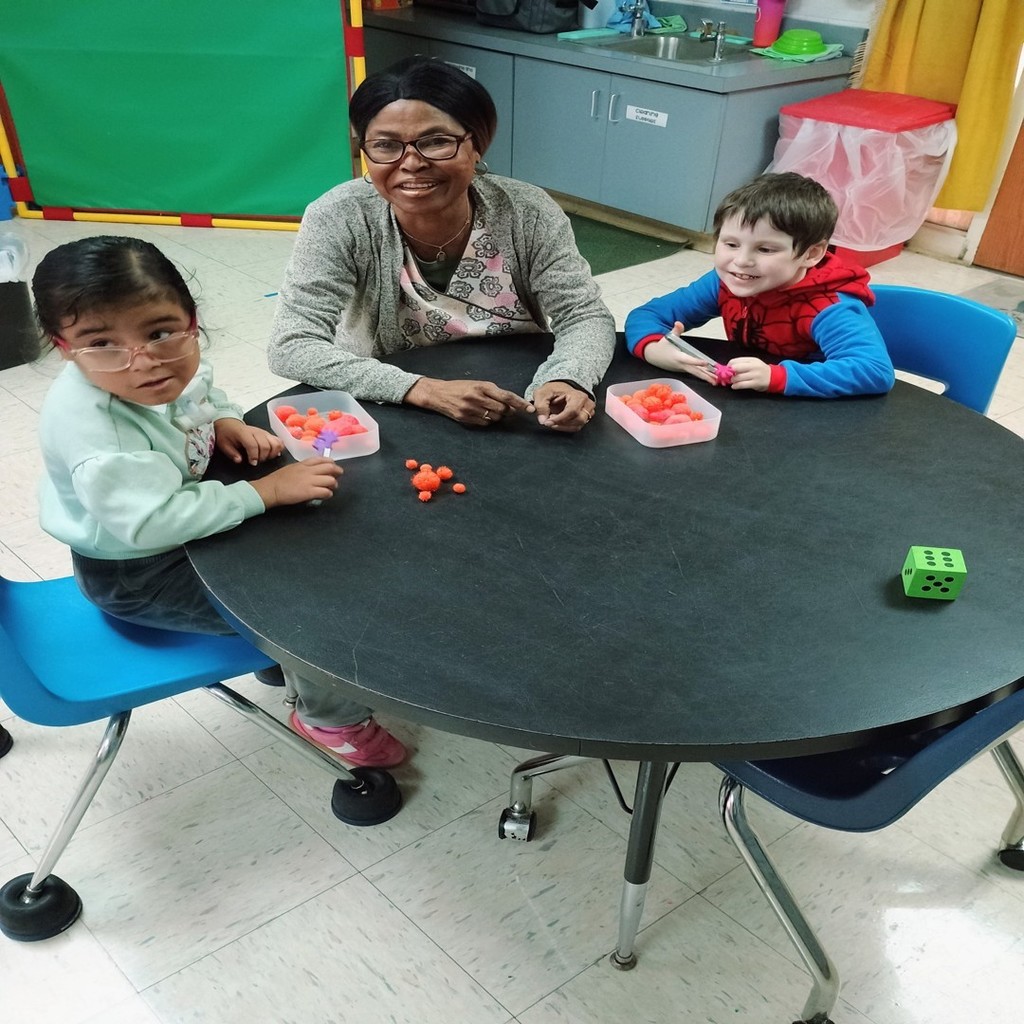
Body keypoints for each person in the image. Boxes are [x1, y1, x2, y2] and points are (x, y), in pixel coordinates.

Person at [32, 236, 405, 768]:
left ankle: (287, 666)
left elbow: (200, 392)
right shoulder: (103, 441)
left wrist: (224, 420)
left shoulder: (164, 370)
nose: (145, 363)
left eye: (161, 332)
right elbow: (154, 522)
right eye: (102, 343)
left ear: (191, 320)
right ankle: (330, 717)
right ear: (63, 347)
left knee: (314, 551)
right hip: (140, 573)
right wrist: (262, 492)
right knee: (314, 609)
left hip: (180, 523)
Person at [268, 56, 616, 432]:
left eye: (436, 142)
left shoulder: (526, 212)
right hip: (397, 404)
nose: (412, 163)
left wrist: (568, 377)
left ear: (476, 146)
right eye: (385, 145)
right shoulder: (340, 217)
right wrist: (425, 390)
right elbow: (292, 344)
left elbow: (585, 315)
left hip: (522, 404)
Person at [624, 172, 895, 399]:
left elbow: (874, 370)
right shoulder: (723, 282)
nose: (741, 261)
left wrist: (777, 376)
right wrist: (654, 349)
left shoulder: (829, 308)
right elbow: (646, 315)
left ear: (811, 254)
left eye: (765, 249)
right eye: (731, 244)